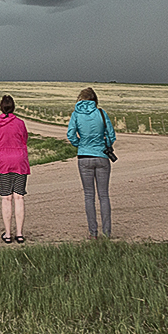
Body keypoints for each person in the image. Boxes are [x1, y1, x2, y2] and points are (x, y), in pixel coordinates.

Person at [66, 86, 115, 239]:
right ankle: (107, 233)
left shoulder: (76, 114)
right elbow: (111, 135)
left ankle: (93, 233)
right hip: (101, 156)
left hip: (84, 157)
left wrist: (80, 144)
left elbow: (70, 134)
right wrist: (104, 144)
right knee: (104, 196)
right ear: (95, 100)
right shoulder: (101, 113)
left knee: (89, 195)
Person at [0, 94, 29, 243]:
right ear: (13, 107)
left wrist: (1, 154)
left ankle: (7, 234)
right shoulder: (20, 123)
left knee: (6, 198)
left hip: (2, 163)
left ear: (1, 107)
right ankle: (19, 234)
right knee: (19, 197)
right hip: (20, 162)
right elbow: (24, 139)